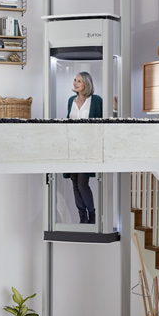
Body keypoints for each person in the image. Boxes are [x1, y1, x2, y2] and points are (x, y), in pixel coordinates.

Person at [64, 71, 102, 224]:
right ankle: (82, 218)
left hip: (87, 146)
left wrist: (114, 108)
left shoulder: (96, 100)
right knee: (74, 182)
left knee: (82, 182)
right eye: (75, 80)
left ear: (86, 83)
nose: (75, 83)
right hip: (72, 145)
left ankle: (92, 216)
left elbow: (103, 120)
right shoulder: (70, 101)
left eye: (78, 81)